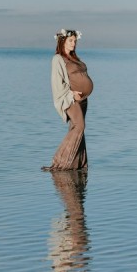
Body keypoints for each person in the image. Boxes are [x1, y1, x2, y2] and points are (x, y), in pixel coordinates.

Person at [44, 29, 93, 171]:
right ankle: (60, 162)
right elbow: (57, 82)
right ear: (62, 41)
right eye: (71, 40)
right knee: (79, 126)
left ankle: (78, 163)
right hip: (70, 98)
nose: (74, 43)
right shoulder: (58, 59)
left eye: (75, 40)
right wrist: (71, 94)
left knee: (77, 129)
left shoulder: (74, 58)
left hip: (82, 99)